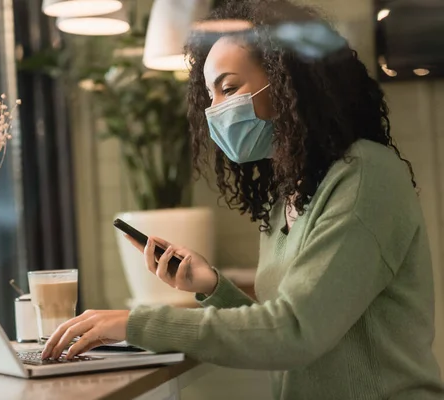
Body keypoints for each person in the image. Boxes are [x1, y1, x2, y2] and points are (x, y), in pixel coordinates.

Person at [42, 0, 444, 398]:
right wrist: (213, 286)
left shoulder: (365, 176)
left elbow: (294, 332)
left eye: (228, 88)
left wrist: (135, 324)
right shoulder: (290, 193)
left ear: (289, 80)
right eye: (209, 95)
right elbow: (280, 331)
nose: (214, 110)